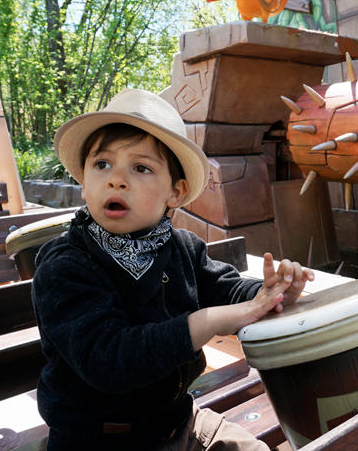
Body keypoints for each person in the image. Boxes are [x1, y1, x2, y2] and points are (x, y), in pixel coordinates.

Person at [32, 88, 313, 450]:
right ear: (83, 184)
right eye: (102, 164)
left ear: (175, 193)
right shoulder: (66, 267)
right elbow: (109, 360)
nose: (116, 179)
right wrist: (207, 322)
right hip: (98, 439)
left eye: (141, 167)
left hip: (180, 422)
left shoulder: (181, 247)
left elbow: (226, 288)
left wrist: (269, 292)